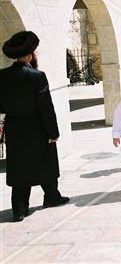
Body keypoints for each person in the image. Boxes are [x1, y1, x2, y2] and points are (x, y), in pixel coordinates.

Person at [0, 31, 69, 222]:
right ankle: (51, 196)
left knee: (19, 166)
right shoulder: (37, 76)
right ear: (30, 55)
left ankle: (19, 208)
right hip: (37, 128)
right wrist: (53, 132)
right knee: (45, 162)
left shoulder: (2, 76)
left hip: (14, 128)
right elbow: (46, 107)